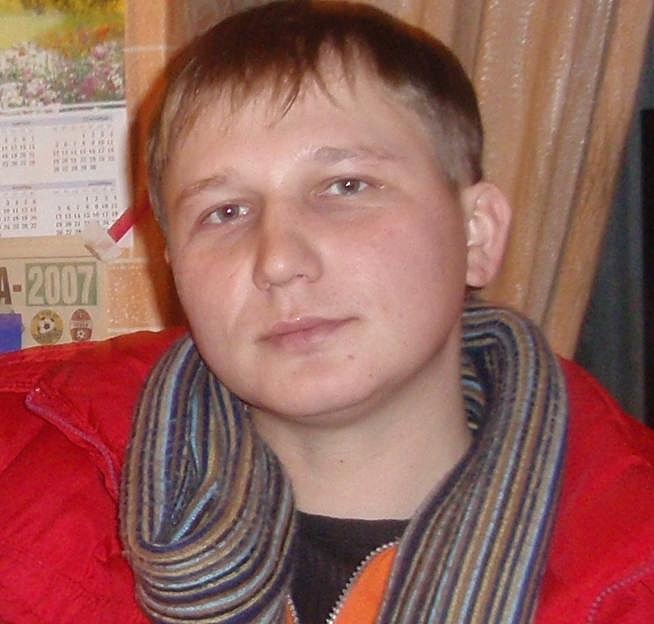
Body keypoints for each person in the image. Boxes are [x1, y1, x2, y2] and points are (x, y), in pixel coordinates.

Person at [2, 2, 654, 623]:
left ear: (476, 234)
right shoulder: (26, 484)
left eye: (345, 186)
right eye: (224, 212)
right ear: (172, 266)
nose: (278, 259)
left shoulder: (631, 560)